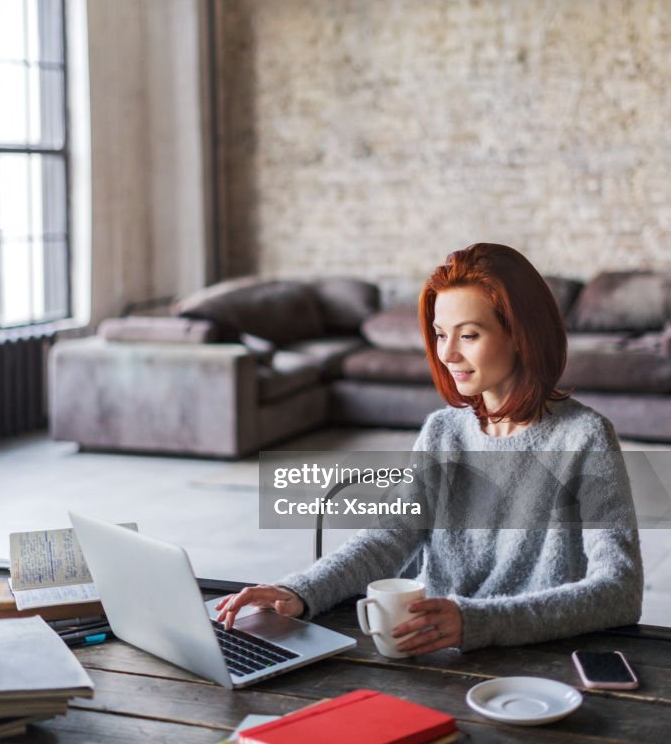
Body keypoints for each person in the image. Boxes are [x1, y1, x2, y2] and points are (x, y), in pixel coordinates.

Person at [215, 243, 643, 653]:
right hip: (431, 651)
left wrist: (477, 623)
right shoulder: (443, 432)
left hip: (535, 664)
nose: (448, 354)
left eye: (469, 335)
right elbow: (388, 539)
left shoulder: (585, 437)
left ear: (520, 336)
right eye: (441, 335)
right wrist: (298, 590)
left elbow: (619, 591)